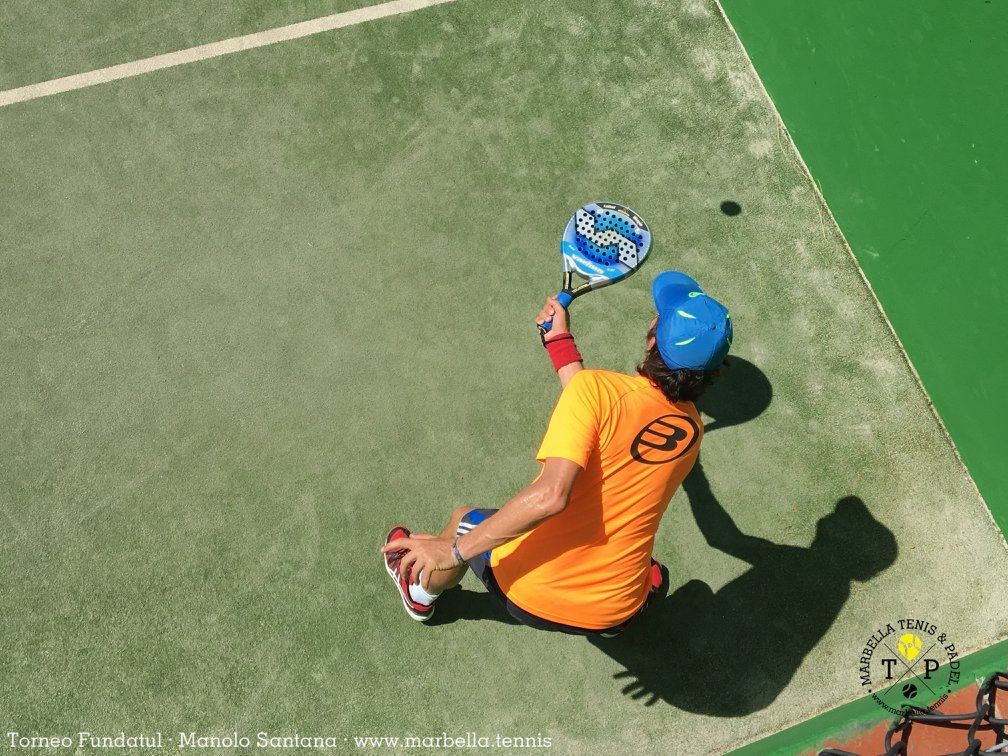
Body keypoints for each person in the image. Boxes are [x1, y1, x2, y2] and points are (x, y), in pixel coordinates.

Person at [381, 271, 732, 636]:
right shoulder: (691, 431)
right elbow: (597, 409)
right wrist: (559, 341)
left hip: (535, 597)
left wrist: (453, 550)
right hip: (616, 607)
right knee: (645, 563)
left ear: (652, 337)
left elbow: (552, 495)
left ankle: (418, 592)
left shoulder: (597, 390)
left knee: (462, 522)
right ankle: (622, 615)